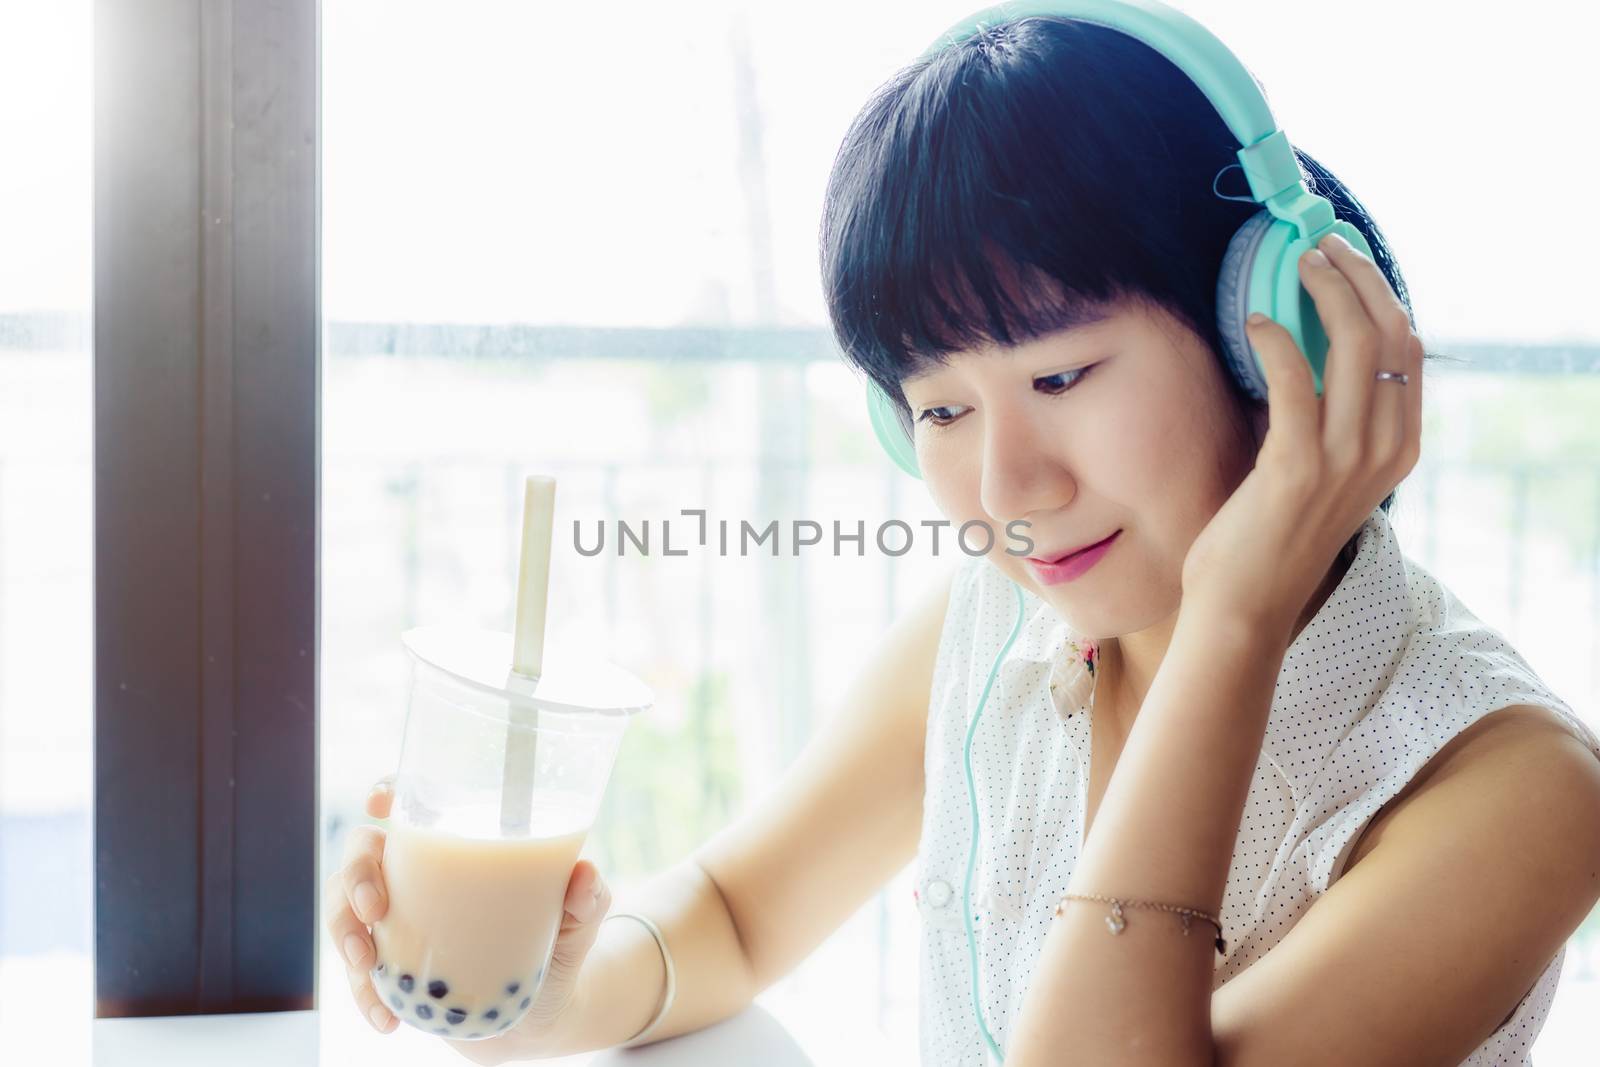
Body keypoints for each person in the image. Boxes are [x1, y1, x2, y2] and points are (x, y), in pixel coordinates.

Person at [325, 11, 1600, 1066]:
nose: (1006, 482)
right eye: (938, 407)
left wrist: (1230, 619)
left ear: (1273, 342)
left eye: (1059, 377)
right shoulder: (1000, 629)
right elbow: (732, 908)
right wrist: (550, 992)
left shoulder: (1512, 785)